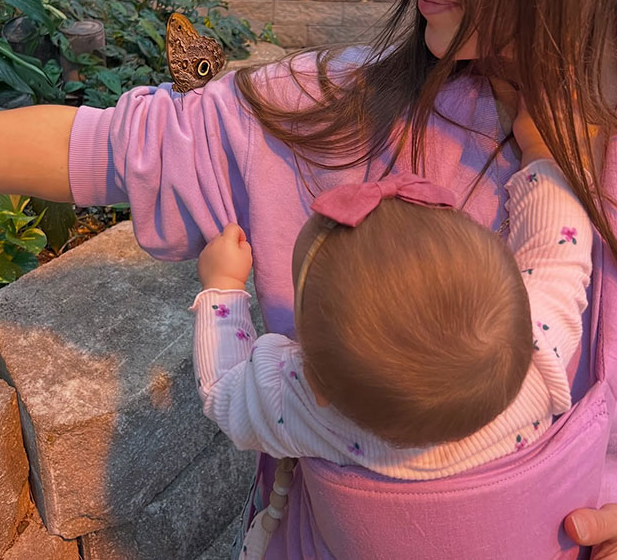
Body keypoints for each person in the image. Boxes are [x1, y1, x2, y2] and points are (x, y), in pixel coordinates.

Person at [0, 0, 617, 555]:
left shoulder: (289, 397)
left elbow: (230, 389)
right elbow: (110, 147)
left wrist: (221, 295)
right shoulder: (328, 113)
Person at [192, 100, 592, 556]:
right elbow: (559, 251)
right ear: (521, 314)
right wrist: (542, 149)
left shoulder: (302, 406)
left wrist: (222, 287)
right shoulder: (540, 364)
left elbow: (223, 389)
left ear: (314, 378)